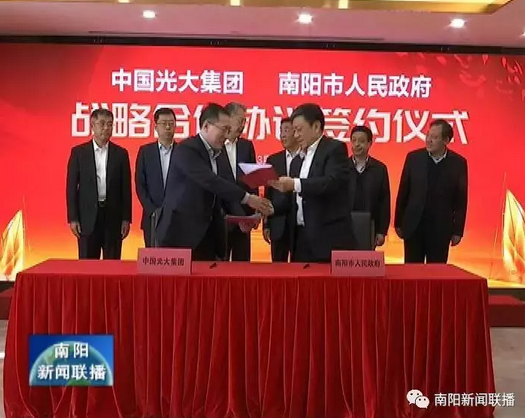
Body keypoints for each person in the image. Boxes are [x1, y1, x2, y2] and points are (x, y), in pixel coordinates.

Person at [155, 103, 273, 261]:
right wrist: (248, 198)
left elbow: (224, 189)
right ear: (206, 126)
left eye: (229, 129)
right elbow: (210, 181)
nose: (227, 135)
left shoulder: (218, 153)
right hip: (180, 234)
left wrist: (241, 219)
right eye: (224, 129)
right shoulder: (186, 149)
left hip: (208, 236)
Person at [269, 103, 355, 263]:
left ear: (316, 127)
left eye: (299, 130)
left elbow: (331, 182)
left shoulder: (334, 149)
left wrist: (295, 184)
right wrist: (269, 208)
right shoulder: (297, 160)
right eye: (294, 130)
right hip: (300, 240)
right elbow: (292, 201)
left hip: (327, 239)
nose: (295, 135)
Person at [395, 119, 468, 263]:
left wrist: (458, 231)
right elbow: (403, 192)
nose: (429, 140)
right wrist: (398, 223)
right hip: (414, 227)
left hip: (441, 229)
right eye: (428, 135)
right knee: (412, 271)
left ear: (446, 140)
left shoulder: (458, 163)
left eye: (434, 137)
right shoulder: (414, 158)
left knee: (436, 271)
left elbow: (461, 200)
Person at [66, 108, 132, 259]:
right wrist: (73, 218)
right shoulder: (79, 153)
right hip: (87, 219)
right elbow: (71, 188)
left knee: (113, 265)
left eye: (110, 124)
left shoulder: (121, 154)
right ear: (92, 125)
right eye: (102, 124)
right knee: (88, 266)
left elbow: (126, 189)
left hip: (113, 218)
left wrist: (126, 219)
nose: (106, 128)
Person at [217, 102, 258, 261]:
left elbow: (253, 181)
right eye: (240, 120)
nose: (243, 125)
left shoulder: (246, 146)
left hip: (244, 218)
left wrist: (254, 212)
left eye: (245, 122)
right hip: (221, 218)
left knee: (242, 265)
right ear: (228, 118)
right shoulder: (215, 145)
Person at [135, 107, 176, 247]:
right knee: (153, 256)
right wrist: (152, 210)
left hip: (177, 218)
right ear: (155, 127)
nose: (168, 127)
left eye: (171, 123)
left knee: (176, 257)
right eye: (164, 123)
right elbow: (140, 185)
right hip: (152, 217)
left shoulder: (183, 152)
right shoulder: (145, 152)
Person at [263, 118, 300, 262]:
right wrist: (266, 224)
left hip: (299, 224)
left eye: (286, 130)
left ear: (296, 132)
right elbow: (268, 194)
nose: (282, 135)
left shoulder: (306, 158)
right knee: (277, 267)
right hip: (278, 223)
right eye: (281, 131)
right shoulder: (273, 160)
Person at [349, 125, 391, 248]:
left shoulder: (379, 169)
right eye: (354, 140)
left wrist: (382, 231)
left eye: (361, 141)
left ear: (369, 143)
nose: (357, 144)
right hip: (345, 226)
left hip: (370, 226)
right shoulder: (342, 168)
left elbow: (384, 202)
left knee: (366, 258)